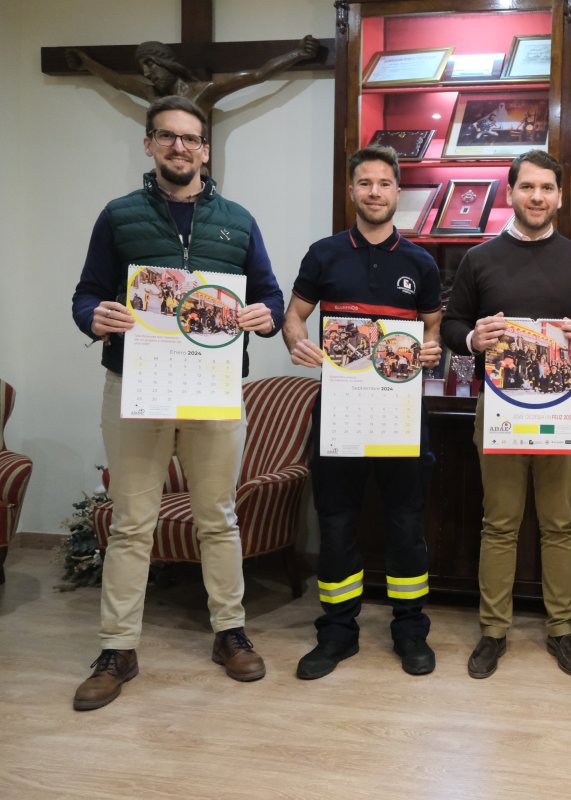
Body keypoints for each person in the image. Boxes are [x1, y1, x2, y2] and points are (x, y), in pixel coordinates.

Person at [69, 95, 284, 711]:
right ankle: (118, 648)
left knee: (218, 516)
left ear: (205, 150)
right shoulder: (118, 216)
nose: (179, 147)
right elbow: (86, 295)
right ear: (149, 144)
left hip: (213, 389)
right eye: (167, 136)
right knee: (132, 522)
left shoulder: (238, 220)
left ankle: (229, 632)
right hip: (136, 387)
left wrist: (265, 316)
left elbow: (270, 297)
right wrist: (96, 317)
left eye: (190, 138)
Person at [442, 150, 571, 679]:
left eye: (547, 188)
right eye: (528, 187)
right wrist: (473, 339)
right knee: (499, 524)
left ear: (559, 197)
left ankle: (561, 628)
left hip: (562, 406)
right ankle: (494, 631)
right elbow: (452, 325)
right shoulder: (479, 258)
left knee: (561, 523)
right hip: (500, 407)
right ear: (511, 192)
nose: (537, 197)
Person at [282, 145, 444, 680]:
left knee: (406, 521)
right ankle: (337, 631)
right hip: (339, 411)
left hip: (401, 412)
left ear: (398, 191)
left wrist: (431, 349)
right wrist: (296, 341)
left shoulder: (420, 262)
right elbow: (293, 316)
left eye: (384, 183)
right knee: (336, 521)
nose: (375, 192)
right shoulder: (324, 254)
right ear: (352, 190)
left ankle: (410, 629)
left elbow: (433, 329)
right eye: (365, 183)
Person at [65, 37, 321, 120]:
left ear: (167, 63)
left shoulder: (205, 91)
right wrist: (86, 63)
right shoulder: (153, 95)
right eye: (143, 70)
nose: (147, 74)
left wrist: (299, 54)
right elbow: (118, 81)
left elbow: (257, 75)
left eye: (150, 65)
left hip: (196, 176)